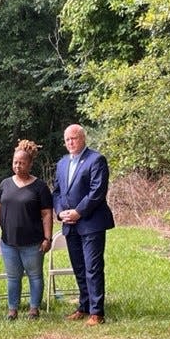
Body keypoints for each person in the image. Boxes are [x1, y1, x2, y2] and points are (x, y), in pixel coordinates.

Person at [52, 124, 115, 326]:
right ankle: (84, 306)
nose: (71, 142)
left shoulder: (96, 160)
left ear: (83, 138)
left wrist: (78, 212)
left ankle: (97, 312)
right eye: (67, 139)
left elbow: (97, 191)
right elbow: (57, 192)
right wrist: (61, 212)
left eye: (74, 138)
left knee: (93, 267)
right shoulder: (62, 163)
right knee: (79, 267)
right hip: (70, 225)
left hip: (91, 223)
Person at [0, 140, 54, 320]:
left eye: (22, 162)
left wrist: (47, 238)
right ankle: (12, 310)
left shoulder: (39, 186)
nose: (17, 165)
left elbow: (47, 214)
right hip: (9, 241)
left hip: (33, 242)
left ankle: (34, 309)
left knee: (35, 276)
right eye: (15, 162)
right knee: (13, 277)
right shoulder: (5, 184)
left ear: (30, 164)